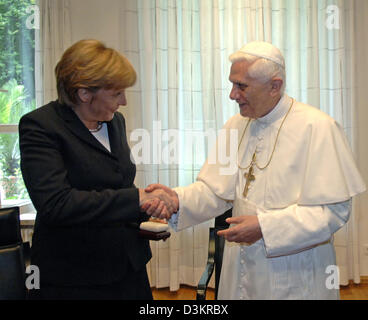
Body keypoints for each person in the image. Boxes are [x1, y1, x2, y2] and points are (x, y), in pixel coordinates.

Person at [143, 41, 366, 300]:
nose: (232, 94)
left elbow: (334, 211)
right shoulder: (236, 125)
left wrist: (265, 227)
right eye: (232, 84)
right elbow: (216, 192)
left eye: (242, 86)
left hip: (293, 271)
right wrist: (176, 200)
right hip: (239, 267)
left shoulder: (317, 127)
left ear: (275, 86)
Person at [19, 39, 176, 300]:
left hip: (128, 268)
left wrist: (144, 211)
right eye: (116, 94)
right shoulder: (41, 126)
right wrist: (136, 199)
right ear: (84, 93)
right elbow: (56, 204)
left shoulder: (115, 121)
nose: (124, 101)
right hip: (74, 277)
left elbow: (115, 184)